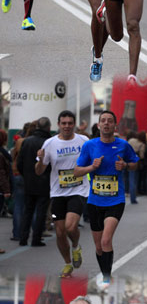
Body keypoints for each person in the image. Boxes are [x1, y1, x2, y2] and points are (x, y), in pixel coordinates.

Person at [73, 110, 139, 284]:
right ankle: (105, 273)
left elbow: (135, 164)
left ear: (115, 125)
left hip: (115, 200)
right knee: (98, 247)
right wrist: (91, 168)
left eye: (110, 120)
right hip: (95, 200)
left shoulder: (123, 145)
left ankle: (106, 278)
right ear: (99, 125)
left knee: (106, 239)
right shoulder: (90, 146)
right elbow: (77, 171)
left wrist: (124, 165)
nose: (106, 123)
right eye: (103, 120)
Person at [35, 110, 89, 278]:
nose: (67, 126)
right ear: (58, 124)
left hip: (79, 189)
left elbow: (93, 160)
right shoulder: (49, 144)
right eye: (63, 123)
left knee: (70, 226)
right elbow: (39, 171)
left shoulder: (83, 141)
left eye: (70, 123)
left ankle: (76, 247)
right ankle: (67, 264)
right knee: (59, 232)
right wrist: (40, 160)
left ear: (74, 124)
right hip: (58, 192)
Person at [17, 116, 51, 247]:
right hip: (44, 182)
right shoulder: (49, 142)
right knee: (41, 211)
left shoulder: (27, 141)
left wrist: (26, 175)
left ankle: (23, 237)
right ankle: (36, 238)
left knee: (28, 211)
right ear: (48, 127)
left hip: (29, 181)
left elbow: (20, 162)